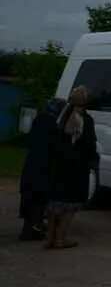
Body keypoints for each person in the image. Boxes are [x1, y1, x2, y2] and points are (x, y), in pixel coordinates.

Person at [46, 86, 96, 250]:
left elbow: (54, 140)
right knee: (70, 205)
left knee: (56, 203)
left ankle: (50, 238)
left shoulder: (62, 116)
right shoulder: (85, 119)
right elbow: (89, 144)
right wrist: (92, 160)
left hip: (60, 165)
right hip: (76, 167)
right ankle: (60, 239)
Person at [17, 98, 63, 241]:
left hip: (32, 162)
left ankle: (29, 227)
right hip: (43, 165)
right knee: (38, 196)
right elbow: (55, 146)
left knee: (30, 195)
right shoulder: (52, 125)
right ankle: (33, 228)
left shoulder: (39, 120)